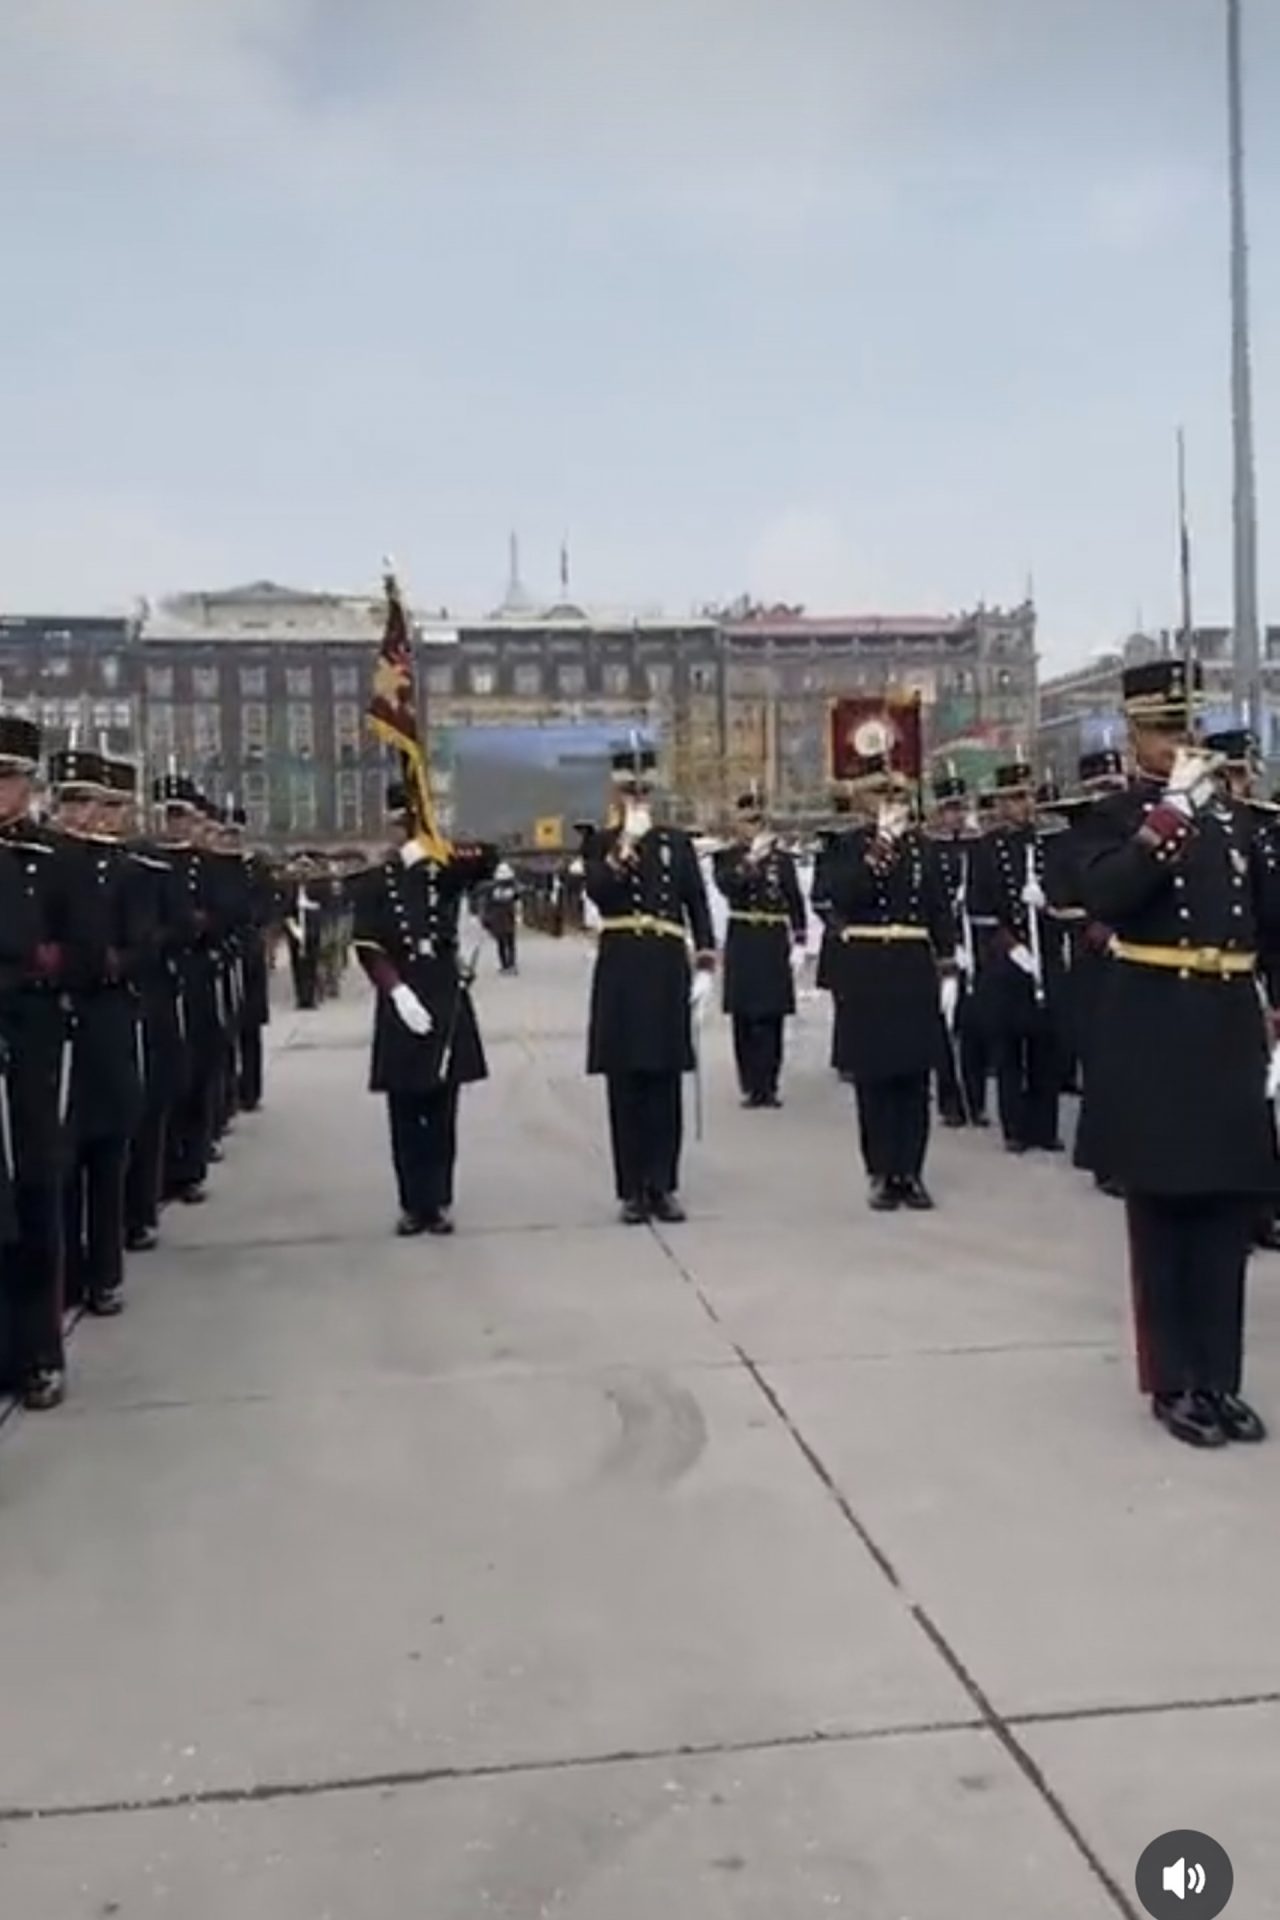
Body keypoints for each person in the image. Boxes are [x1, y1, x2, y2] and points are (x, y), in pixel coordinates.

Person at [1075, 662, 1278, 1448]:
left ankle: (1219, 1378)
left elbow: (1268, 920)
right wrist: (1166, 821)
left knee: (1226, 1210)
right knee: (1163, 1210)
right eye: (1164, 730)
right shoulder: (1115, 815)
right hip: (1155, 1025)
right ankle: (1173, 1379)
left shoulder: (1239, 822)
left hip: (1226, 1023)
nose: (1179, 743)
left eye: (1187, 727)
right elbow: (1108, 896)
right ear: (1135, 736)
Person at [351, 786, 496, 1236]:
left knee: (441, 1104)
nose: (396, 834)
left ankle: (438, 1200)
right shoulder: (377, 880)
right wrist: (394, 991)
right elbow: (367, 944)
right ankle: (412, 1202)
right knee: (404, 1105)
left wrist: (437, 845)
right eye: (398, 826)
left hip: (442, 990)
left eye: (405, 826)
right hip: (403, 994)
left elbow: (488, 858)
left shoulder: (441, 871)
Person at [584, 743, 715, 1225]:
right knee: (626, 1082)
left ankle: (662, 1184)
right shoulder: (600, 842)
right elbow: (599, 892)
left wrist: (705, 961)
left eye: (643, 790)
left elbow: (696, 903)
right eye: (628, 790)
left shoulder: (674, 842)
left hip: (663, 966)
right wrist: (623, 849)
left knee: (663, 1080)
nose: (637, 797)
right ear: (615, 792)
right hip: (621, 965)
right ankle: (631, 1188)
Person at [822, 744, 956, 1211]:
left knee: (914, 1078)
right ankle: (881, 1171)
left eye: (897, 793)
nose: (890, 801)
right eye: (880, 793)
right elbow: (841, 897)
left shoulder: (923, 848)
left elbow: (939, 906)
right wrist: (878, 850)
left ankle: (912, 1170)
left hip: (911, 966)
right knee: (875, 1077)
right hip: (868, 966)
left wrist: (948, 960)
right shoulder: (846, 847)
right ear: (861, 798)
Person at [47, 748, 150, 1319]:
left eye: (91, 801)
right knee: (58, 1156)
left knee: (106, 1149)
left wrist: (113, 961)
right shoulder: (40, 858)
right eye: (72, 801)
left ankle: (105, 1271)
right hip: (59, 1021)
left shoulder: (126, 868)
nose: (84, 813)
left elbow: (141, 942)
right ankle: (65, 1272)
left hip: (107, 1013)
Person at [0, 716, 79, 1409]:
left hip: (28, 1038)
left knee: (33, 1191)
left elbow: (81, 946)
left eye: (8, 778)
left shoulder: (54, 858)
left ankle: (37, 1353)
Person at [969, 760, 1064, 1155]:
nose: (1023, 807)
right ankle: (1015, 1127)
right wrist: (1013, 948)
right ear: (1000, 803)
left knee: (1047, 1048)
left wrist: (1049, 902)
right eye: (1014, 799)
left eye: (1027, 798)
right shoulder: (987, 848)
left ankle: (1045, 1126)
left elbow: (1071, 893)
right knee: (1010, 1049)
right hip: (1007, 959)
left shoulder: (1050, 841)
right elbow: (980, 909)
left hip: (1047, 952)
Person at [712, 784, 807, 1108]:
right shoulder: (728, 857)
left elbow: (794, 899)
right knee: (744, 1016)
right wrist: (751, 859)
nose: (753, 826)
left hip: (770, 939)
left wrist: (800, 938)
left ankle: (769, 1084)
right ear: (738, 824)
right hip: (743, 936)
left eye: (758, 820)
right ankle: (750, 1083)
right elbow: (729, 886)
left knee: (771, 1015)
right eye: (748, 820)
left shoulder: (781, 859)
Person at [155, 774, 223, 1206]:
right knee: (166, 1075)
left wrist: (202, 923)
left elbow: (229, 907)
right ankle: (164, 1166)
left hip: (198, 970)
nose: (177, 824)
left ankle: (191, 1164)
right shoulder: (150, 860)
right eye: (169, 815)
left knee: (197, 1068)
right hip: (162, 974)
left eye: (183, 816)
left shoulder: (207, 864)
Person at [927, 769, 988, 1128]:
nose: (953, 814)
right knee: (943, 1025)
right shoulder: (929, 846)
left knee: (973, 1025)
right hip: (942, 944)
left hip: (972, 941)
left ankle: (975, 1100)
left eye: (957, 807)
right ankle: (950, 1099)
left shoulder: (976, 845)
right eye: (948, 807)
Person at [281, 854, 325, 1010]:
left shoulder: (318, 885)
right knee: (297, 963)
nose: (303, 872)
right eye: (300, 868)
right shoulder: (289, 886)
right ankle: (301, 997)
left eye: (306, 867)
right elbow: (285, 907)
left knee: (312, 962)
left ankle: (311, 996)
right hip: (295, 926)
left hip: (312, 927)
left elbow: (323, 903)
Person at [482, 861, 521, 975]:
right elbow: (517, 903)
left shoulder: (493, 890)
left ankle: (507, 965)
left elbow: (487, 905)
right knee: (508, 943)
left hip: (501, 919)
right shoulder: (513, 890)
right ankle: (510, 964)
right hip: (506, 919)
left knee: (503, 944)